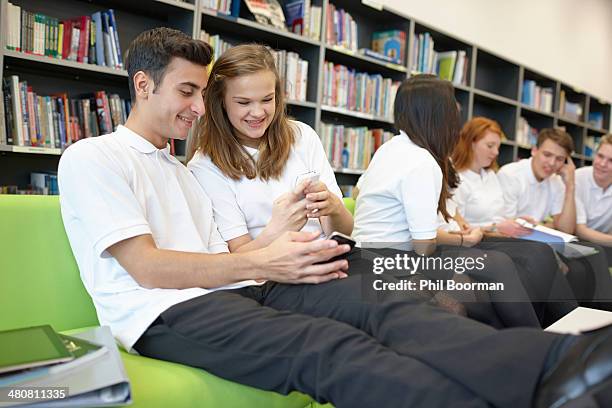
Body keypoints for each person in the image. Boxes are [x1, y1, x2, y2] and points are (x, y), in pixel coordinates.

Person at [57, 28, 612, 408]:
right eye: (189, 92)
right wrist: (269, 260)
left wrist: (273, 247)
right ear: (143, 85)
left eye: (203, 94)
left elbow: (229, 256)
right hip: (165, 313)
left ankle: (559, 364)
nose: (201, 108)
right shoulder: (93, 157)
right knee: (331, 347)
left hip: (247, 286)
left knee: (388, 309)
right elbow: (148, 268)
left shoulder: (178, 170)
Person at [187, 44, 353, 254]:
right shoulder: (205, 165)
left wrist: (334, 208)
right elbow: (237, 259)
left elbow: (343, 234)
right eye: (244, 102)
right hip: (275, 274)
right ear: (221, 102)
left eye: (267, 99)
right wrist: (277, 230)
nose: (257, 112)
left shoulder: (302, 135)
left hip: (329, 255)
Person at [445, 117, 578, 325]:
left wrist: (515, 220)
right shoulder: (457, 178)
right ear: (470, 142)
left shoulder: (490, 175)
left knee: (543, 253)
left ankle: (567, 322)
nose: (496, 152)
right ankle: (565, 324)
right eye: (490, 146)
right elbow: (458, 226)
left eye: (498, 147)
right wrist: (497, 226)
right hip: (481, 238)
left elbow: (498, 214)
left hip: (495, 233)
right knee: (538, 254)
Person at [497, 129, 612, 307]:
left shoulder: (556, 181)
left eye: (559, 159)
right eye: (547, 154)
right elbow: (507, 227)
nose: (551, 163)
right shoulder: (511, 175)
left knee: (595, 252)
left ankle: (603, 315)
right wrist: (549, 224)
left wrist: (571, 186)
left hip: (542, 239)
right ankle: (575, 320)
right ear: (534, 150)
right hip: (516, 241)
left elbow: (566, 228)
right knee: (575, 270)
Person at [575, 134, 612, 264]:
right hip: (574, 240)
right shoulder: (577, 178)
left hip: (602, 241)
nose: (602, 164)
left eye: (611, 161)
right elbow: (580, 230)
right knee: (598, 254)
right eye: (600, 156)